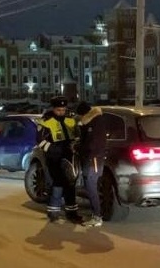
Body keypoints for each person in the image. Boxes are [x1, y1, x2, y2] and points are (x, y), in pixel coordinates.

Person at [38, 96, 82, 224]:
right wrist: (53, 149)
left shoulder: (71, 120)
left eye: (63, 109)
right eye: (58, 110)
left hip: (69, 156)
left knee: (70, 183)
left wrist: (75, 145)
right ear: (53, 109)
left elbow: (77, 136)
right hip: (54, 158)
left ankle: (72, 213)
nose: (61, 112)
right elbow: (40, 141)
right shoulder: (46, 122)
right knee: (57, 183)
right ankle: (53, 212)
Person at [76, 102, 108, 228]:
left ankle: (97, 217)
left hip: (93, 160)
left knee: (91, 187)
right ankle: (96, 215)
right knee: (91, 187)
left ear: (84, 114)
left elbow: (91, 144)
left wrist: (79, 147)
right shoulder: (96, 121)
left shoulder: (94, 123)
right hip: (94, 159)